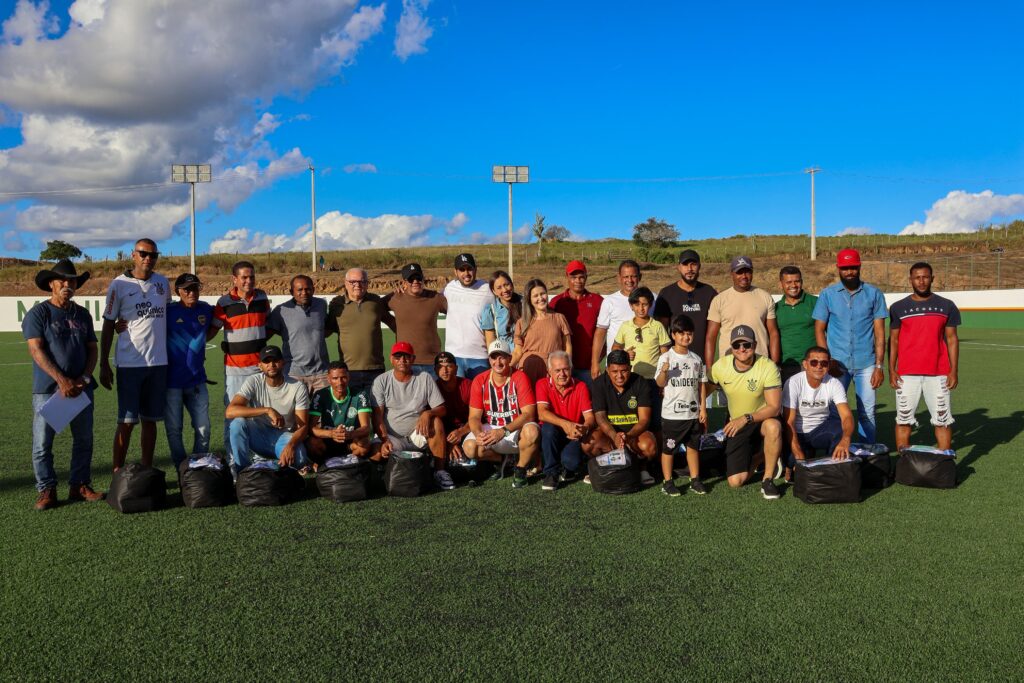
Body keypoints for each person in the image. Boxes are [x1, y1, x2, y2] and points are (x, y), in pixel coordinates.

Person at [23, 259, 101, 510]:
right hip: (48, 390)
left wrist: (84, 378)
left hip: (80, 388)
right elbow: (36, 350)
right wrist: (62, 380)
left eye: (72, 281)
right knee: (42, 443)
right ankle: (47, 489)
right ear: (51, 284)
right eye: (62, 280)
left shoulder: (83, 314)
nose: (68, 285)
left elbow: (92, 349)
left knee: (84, 440)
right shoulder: (39, 313)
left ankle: (80, 485)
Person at [100, 238, 170, 472]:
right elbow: (108, 324)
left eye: (153, 255)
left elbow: (167, 316)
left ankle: (146, 470)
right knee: (127, 422)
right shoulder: (118, 285)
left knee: (150, 421)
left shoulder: (162, 283)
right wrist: (103, 363)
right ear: (133, 255)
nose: (148, 258)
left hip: (158, 363)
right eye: (143, 253)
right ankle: (117, 471)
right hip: (129, 364)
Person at [813, 248, 888, 442]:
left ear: (859, 267)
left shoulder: (874, 294)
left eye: (853, 267)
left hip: (866, 363)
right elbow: (819, 329)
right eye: (845, 268)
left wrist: (879, 366)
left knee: (867, 413)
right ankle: (835, 452)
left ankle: (867, 452)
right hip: (837, 364)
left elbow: (880, 334)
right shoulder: (827, 295)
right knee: (834, 411)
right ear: (838, 268)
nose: (849, 272)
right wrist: (827, 361)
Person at [888, 262, 960, 452]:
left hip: (939, 373)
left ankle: (944, 461)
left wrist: (953, 370)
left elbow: (952, 339)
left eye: (925, 277)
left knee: (942, 421)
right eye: (917, 277)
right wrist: (891, 369)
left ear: (932, 279)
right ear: (910, 280)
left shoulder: (946, 306)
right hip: (906, 374)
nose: (921, 281)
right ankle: (905, 461)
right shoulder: (898, 307)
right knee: (903, 420)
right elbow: (893, 340)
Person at [706, 326, 783, 500]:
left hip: (761, 419)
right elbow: (703, 392)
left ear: (754, 345)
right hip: (737, 424)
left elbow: (774, 407)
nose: (742, 349)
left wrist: (746, 418)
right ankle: (763, 456)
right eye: (737, 345)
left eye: (746, 345)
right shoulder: (721, 366)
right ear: (731, 347)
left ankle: (768, 480)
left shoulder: (767, 366)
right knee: (736, 481)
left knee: (773, 426)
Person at [372, 342, 454, 491]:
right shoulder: (381, 381)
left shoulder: (424, 377)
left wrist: (428, 413)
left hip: (417, 434)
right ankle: (382, 469)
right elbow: (378, 417)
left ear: (413, 359)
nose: (402, 360)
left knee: (436, 422)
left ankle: (440, 471)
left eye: (406, 357)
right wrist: (385, 440)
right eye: (398, 357)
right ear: (391, 359)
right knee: (377, 453)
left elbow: (442, 409)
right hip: (392, 437)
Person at [210, 260, 270, 459]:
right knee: (234, 417)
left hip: (260, 370)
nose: (248, 281)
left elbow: (267, 324)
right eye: (244, 277)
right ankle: (233, 461)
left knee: (260, 416)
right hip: (235, 370)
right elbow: (212, 330)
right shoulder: (224, 303)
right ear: (234, 279)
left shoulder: (262, 297)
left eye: (252, 277)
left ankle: (260, 462)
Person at [463, 339, 541, 489]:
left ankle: (520, 469)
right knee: (470, 448)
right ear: (489, 360)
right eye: (494, 357)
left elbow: (529, 414)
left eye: (502, 357)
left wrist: (503, 431)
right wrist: (478, 434)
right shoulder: (480, 380)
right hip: (492, 427)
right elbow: (474, 417)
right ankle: (504, 460)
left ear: (510, 358)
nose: (497, 362)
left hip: (513, 428)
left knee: (532, 431)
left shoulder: (520, 377)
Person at [225, 345, 310, 471]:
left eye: (275, 360)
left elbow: (302, 426)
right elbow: (230, 411)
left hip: (284, 435)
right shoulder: (254, 381)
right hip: (258, 434)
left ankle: (273, 463)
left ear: (283, 363)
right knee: (237, 423)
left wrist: (291, 445)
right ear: (260, 365)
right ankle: (242, 471)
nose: (271, 365)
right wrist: (267, 410)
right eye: (266, 361)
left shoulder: (297, 386)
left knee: (300, 458)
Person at [655, 315, 708, 497]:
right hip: (672, 415)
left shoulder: (696, 359)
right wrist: (664, 371)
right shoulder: (666, 357)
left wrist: (702, 408)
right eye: (681, 333)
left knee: (693, 448)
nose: (686, 337)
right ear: (673, 335)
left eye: (689, 333)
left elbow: (701, 385)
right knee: (669, 449)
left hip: (692, 414)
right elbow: (660, 383)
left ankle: (695, 480)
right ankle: (667, 482)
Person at [164, 273, 213, 469]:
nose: (192, 292)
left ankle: (198, 467)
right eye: (187, 289)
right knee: (174, 429)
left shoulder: (206, 309)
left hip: (197, 381)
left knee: (204, 428)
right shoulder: (168, 312)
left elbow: (219, 322)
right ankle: (181, 468)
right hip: (172, 382)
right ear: (178, 291)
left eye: (195, 288)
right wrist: (119, 325)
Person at [589, 349, 659, 485]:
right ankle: (604, 467)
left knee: (649, 446)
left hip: (634, 433)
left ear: (630, 368)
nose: (619, 376)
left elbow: (644, 419)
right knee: (588, 444)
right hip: (609, 433)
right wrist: (614, 436)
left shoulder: (641, 382)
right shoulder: (598, 383)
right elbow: (600, 417)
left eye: (624, 371)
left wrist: (628, 436)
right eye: (614, 371)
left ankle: (641, 469)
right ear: (607, 370)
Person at [327, 268, 396, 396]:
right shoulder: (336, 304)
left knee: (377, 406)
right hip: (347, 371)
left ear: (367, 283)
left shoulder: (375, 301)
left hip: (375, 369)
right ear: (345, 283)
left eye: (362, 281)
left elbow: (393, 324)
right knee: (352, 407)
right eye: (353, 282)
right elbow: (326, 330)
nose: (357, 285)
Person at [782, 346, 854, 463]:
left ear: (828, 366)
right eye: (814, 362)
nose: (819, 366)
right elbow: (789, 422)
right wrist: (798, 454)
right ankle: (796, 460)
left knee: (839, 429)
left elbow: (847, 416)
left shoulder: (834, 383)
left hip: (819, 431)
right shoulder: (793, 383)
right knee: (791, 462)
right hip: (797, 432)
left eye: (824, 363)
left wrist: (845, 439)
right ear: (805, 364)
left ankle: (833, 465)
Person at [536, 350, 596, 491]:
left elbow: (590, 417)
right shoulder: (542, 384)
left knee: (571, 462)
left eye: (565, 369)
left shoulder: (581, 386)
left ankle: (566, 467)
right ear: (549, 371)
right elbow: (542, 413)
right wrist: (566, 424)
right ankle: (551, 473)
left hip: (574, 435)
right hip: (554, 433)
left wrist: (584, 428)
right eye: (557, 370)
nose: (562, 374)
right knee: (548, 428)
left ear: (571, 369)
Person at [705, 255, 780, 365]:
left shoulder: (765, 297)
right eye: (739, 272)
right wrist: (709, 368)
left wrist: (775, 364)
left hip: (759, 362)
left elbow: (773, 333)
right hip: (729, 364)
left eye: (747, 272)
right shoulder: (719, 300)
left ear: (752, 273)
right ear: (732, 274)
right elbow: (711, 337)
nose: (744, 276)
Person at [267, 274, 331, 395]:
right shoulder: (281, 310)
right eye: (300, 290)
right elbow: (267, 334)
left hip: (321, 373)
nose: (304, 293)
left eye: (308, 289)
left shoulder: (321, 305)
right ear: (292, 292)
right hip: (294, 374)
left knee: (323, 407)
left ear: (313, 289)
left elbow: (326, 328)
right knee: (296, 408)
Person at [653, 249, 717, 362]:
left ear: (699, 266)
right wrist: (667, 360)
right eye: (685, 264)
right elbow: (661, 332)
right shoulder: (667, 294)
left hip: (702, 361)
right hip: (676, 362)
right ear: (678, 267)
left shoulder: (709, 292)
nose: (689, 269)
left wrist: (709, 365)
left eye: (693, 264)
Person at [386, 263, 447, 378]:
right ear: (404, 282)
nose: (415, 282)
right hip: (406, 362)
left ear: (423, 279)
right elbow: (376, 309)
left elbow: (456, 311)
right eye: (411, 279)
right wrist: (395, 325)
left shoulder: (435, 298)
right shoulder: (395, 297)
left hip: (432, 363)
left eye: (418, 278)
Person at [306, 361, 373, 464]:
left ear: (348, 377)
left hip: (350, 442)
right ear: (328, 379)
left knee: (364, 444)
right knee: (312, 443)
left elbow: (366, 428)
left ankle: (348, 464)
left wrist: (349, 434)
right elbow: (311, 428)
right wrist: (332, 434)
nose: (340, 382)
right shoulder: (321, 395)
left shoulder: (360, 395)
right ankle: (323, 465)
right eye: (335, 378)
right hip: (328, 441)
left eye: (343, 377)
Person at [592, 259, 649, 379]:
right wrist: (595, 363)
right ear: (619, 278)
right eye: (626, 277)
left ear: (640, 277)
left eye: (633, 276)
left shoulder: (651, 299)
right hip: (616, 367)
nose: (630, 280)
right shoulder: (610, 301)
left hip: (645, 366)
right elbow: (600, 333)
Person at [548, 260, 603, 384]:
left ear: (586, 277)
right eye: (573, 277)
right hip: (563, 368)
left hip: (589, 367)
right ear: (567, 277)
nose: (578, 281)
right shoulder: (557, 302)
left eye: (581, 277)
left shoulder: (597, 301)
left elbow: (604, 331)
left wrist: (598, 360)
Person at [443, 253, 494, 379]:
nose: (466, 273)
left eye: (469, 269)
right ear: (455, 272)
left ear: (475, 269)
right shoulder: (449, 288)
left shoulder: (487, 289)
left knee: (481, 392)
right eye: (462, 269)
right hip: (454, 357)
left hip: (480, 357)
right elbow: (429, 300)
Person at [512, 278, 572, 384]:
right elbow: (517, 351)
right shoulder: (522, 322)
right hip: (529, 368)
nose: (540, 298)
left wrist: (568, 366)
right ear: (529, 299)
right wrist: (507, 368)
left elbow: (567, 346)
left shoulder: (559, 318)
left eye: (542, 294)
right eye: (535, 296)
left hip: (553, 368)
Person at [612, 286, 670, 379]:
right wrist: (624, 354)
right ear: (631, 306)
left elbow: (665, 352)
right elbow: (615, 347)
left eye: (644, 304)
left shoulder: (657, 326)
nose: (641, 308)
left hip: (653, 377)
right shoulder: (625, 326)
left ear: (650, 305)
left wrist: (664, 374)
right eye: (637, 304)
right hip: (630, 377)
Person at [776, 266, 819, 386]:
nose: (793, 285)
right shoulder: (775, 308)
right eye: (789, 282)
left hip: (812, 364)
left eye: (797, 281)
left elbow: (827, 332)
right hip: (786, 366)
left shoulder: (815, 303)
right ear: (781, 284)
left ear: (802, 282)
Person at [434, 352, 473, 461]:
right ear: (435, 370)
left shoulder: (468, 385)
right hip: (443, 432)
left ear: (456, 369)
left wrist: (461, 432)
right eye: (440, 367)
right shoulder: (433, 388)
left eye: (449, 366)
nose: (445, 371)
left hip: (468, 428)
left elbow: (477, 417)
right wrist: (448, 442)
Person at [481, 270, 522, 353]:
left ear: (512, 284)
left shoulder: (525, 303)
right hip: (505, 356)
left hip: (526, 355)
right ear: (494, 291)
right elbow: (490, 341)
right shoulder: (491, 310)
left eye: (506, 285)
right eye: (499, 287)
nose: (504, 290)